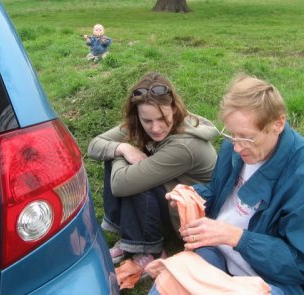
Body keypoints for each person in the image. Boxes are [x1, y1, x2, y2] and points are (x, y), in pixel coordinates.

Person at [151, 75, 304, 295]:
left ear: (278, 123)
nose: (238, 148)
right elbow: (220, 192)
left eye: (247, 138)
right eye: (231, 135)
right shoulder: (236, 146)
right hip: (219, 252)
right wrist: (194, 195)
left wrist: (236, 237)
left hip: (273, 279)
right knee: (168, 283)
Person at [87, 72, 219, 275]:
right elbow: (95, 145)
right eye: (147, 120)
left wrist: (122, 154)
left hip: (191, 218)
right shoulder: (143, 123)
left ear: (174, 110)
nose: (155, 128)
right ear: (137, 116)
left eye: (162, 118)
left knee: (131, 178)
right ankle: (130, 236)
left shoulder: (185, 145)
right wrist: (124, 148)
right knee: (118, 156)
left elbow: (121, 185)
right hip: (172, 195)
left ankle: (152, 251)